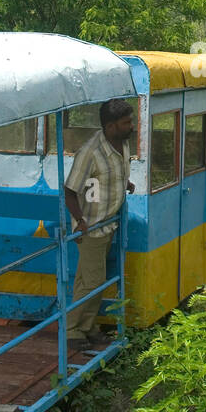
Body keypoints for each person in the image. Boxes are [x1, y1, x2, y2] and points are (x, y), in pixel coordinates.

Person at [62, 98, 135, 348]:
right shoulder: (90, 152)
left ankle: (87, 326)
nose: (131, 125)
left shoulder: (121, 143)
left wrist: (125, 184)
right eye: (127, 122)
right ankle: (70, 330)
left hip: (108, 223)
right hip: (90, 227)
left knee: (88, 280)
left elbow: (114, 173)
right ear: (111, 125)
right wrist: (79, 221)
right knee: (93, 282)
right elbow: (70, 190)